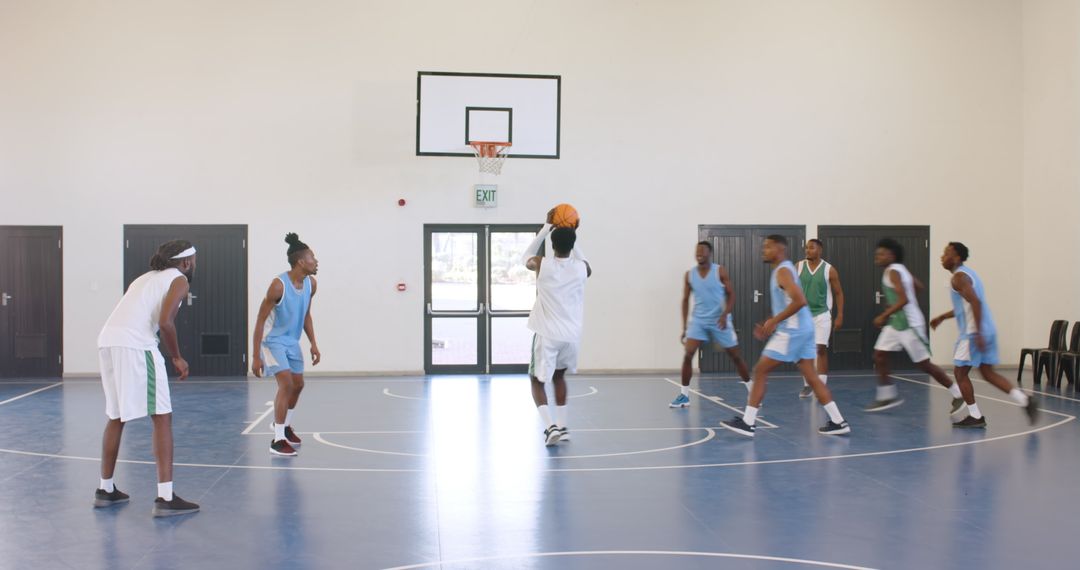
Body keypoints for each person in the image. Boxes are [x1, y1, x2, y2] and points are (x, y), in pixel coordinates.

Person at [94, 239, 200, 517]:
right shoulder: (179, 279)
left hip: (108, 341)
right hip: (136, 345)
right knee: (162, 415)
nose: (195, 264)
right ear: (186, 262)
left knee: (116, 415)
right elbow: (165, 322)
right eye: (194, 260)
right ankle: (165, 498)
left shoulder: (144, 278)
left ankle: (105, 489)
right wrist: (176, 357)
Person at [719, 235, 850, 437]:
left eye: (768, 247)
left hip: (793, 331)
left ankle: (748, 422)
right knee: (812, 377)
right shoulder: (787, 269)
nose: (763, 250)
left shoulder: (783, 271)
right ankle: (839, 421)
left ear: (780, 250)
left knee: (760, 370)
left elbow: (799, 300)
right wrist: (770, 320)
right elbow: (788, 302)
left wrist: (774, 321)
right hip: (804, 328)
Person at [930, 242, 1039, 426]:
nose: (942, 257)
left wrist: (978, 333)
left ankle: (975, 416)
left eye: (946, 253)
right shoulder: (970, 274)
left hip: (973, 333)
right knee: (987, 373)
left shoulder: (958, 277)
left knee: (960, 373)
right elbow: (966, 306)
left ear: (956, 258)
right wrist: (942, 317)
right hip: (987, 329)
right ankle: (1025, 400)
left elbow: (975, 303)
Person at [868, 238, 965, 413]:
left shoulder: (894, 271)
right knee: (879, 355)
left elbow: (904, 299)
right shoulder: (899, 269)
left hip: (910, 324)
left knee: (924, 365)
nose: (877, 257)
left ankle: (958, 394)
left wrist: (884, 315)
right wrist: (896, 304)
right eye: (877, 254)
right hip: (896, 323)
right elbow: (918, 287)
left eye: (881, 254)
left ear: (892, 255)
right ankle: (886, 396)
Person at [522, 210, 591, 445]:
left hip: (547, 334)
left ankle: (551, 427)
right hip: (571, 337)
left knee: (536, 380)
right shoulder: (581, 269)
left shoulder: (542, 264)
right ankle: (563, 427)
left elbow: (526, 256)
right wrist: (572, 233)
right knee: (559, 377)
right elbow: (587, 263)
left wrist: (546, 227)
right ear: (572, 245)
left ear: (552, 246)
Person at [252, 233, 321, 457]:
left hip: (292, 342)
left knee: (298, 385)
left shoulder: (311, 284)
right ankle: (277, 439)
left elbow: (306, 315)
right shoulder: (278, 286)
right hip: (272, 341)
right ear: (301, 262)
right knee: (286, 385)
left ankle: (285, 426)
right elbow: (260, 320)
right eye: (312, 258)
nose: (316, 261)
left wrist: (313, 343)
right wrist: (255, 356)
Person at [671, 240, 752, 408]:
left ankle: (752, 390)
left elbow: (731, 294)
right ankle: (684, 395)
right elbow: (685, 300)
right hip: (699, 320)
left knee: (735, 356)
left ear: (710, 253)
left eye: (702, 250)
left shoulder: (719, 271)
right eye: (697, 250)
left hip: (720, 320)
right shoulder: (689, 275)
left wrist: (725, 314)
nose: (699, 253)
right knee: (688, 354)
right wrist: (684, 326)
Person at [796, 239, 845, 398]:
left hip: (822, 314)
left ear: (820, 250)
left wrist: (840, 315)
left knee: (820, 349)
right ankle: (807, 385)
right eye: (806, 248)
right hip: (803, 315)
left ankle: (820, 387)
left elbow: (838, 293)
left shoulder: (829, 270)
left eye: (811, 248)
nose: (807, 250)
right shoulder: (799, 266)